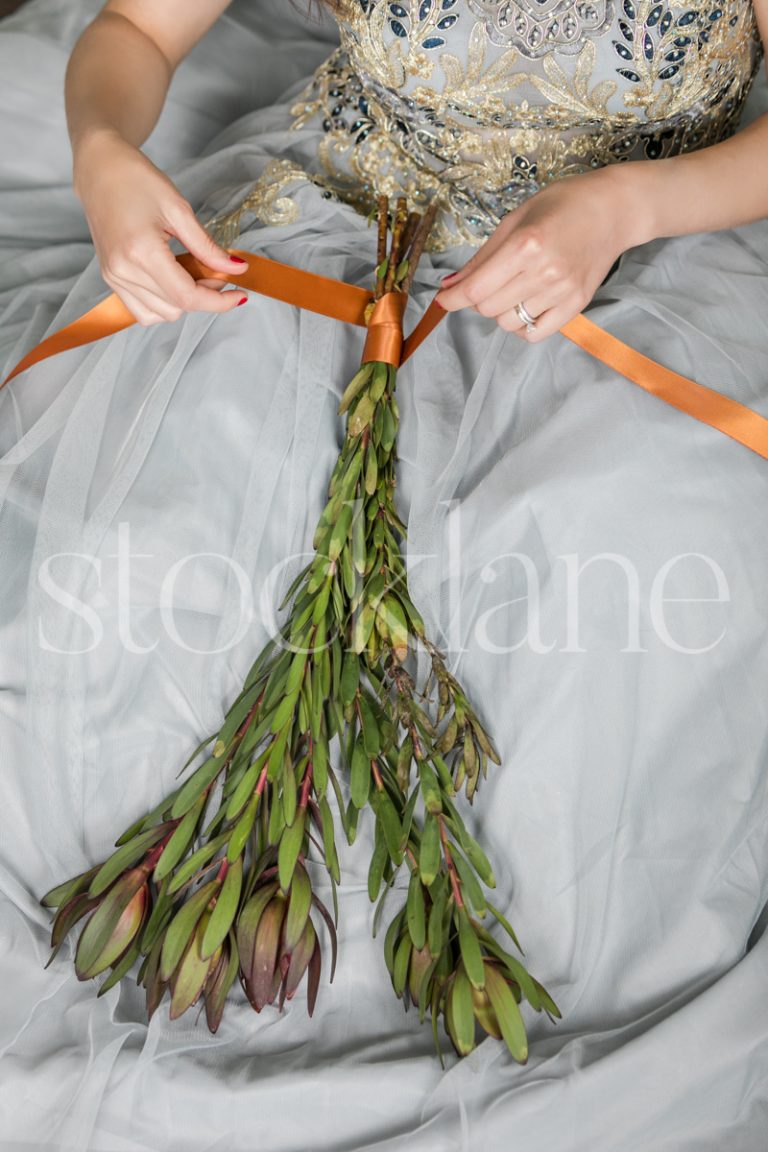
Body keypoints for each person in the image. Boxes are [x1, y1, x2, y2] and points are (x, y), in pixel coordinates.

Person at [1, 1, 768, 1148]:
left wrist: (622, 204)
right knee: (145, 556)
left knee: (617, 554)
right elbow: (133, 32)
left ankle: (490, 983)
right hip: (348, 208)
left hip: (646, 249)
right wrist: (106, 158)